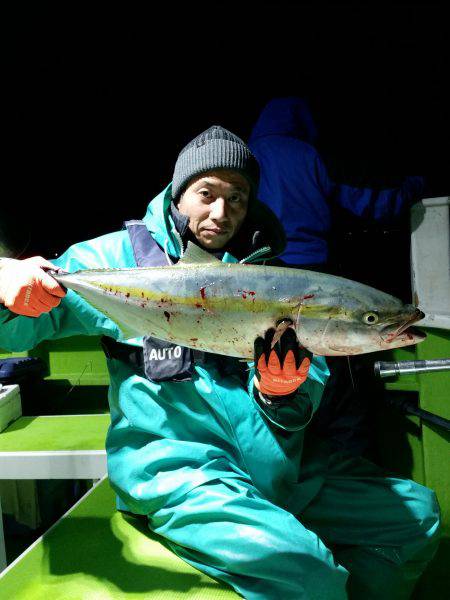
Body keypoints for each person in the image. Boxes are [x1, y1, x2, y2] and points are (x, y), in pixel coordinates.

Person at [0, 126, 440, 599]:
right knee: (306, 570)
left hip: (276, 469)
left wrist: (281, 390)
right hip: (180, 471)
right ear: (179, 191)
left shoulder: (270, 274)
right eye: (205, 193)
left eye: (237, 198)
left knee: (418, 517)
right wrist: (6, 283)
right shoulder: (118, 259)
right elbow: (21, 327)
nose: (220, 212)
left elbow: (306, 381)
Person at [249, 97, 427, 457]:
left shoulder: (247, 158)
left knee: (273, 366)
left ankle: (286, 460)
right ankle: (349, 467)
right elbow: (368, 202)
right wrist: (413, 187)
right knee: (342, 382)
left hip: (263, 278)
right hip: (319, 279)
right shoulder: (311, 155)